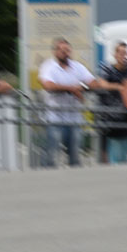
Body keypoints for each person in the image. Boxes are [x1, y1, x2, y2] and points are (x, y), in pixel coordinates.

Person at [38, 38, 105, 167]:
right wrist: (72, 89)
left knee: (75, 154)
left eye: (67, 50)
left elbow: (94, 84)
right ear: (54, 51)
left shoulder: (78, 67)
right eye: (61, 50)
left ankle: (74, 182)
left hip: (74, 117)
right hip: (54, 117)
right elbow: (48, 86)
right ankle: (46, 179)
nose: (65, 52)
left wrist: (82, 88)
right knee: (51, 154)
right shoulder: (48, 66)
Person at [98, 41, 127, 162]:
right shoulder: (106, 67)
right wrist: (119, 87)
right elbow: (102, 83)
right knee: (107, 153)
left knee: (122, 151)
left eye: (126, 53)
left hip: (126, 116)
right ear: (115, 54)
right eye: (121, 53)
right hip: (108, 115)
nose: (123, 56)